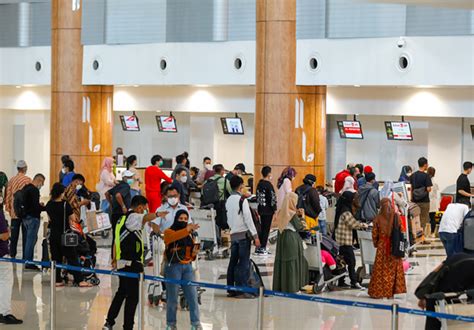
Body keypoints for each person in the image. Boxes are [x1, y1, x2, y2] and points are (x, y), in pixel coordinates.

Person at [103, 195, 158, 330]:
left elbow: (116, 240)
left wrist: (114, 258)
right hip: (132, 263)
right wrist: (157, 214)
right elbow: (144, 218)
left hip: (122, 261)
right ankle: (128, 326)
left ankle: (109, 322)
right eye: (144, 208)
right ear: (139, 207)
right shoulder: (133, 217)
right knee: (133, 297)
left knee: (122, 292)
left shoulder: (122, 218)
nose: (145, 211)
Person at [46, 183, 92, 287]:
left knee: (56, 258)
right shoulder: (65, 204)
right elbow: (73, 219)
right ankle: (79, 280)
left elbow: (50, 219)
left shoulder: (49, 204)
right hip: (66, 235)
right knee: (72, 257)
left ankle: (57, 280)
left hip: (54, 235)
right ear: (61, 193)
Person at [163, 210, 202, 329]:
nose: (183, 221)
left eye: (186, 219)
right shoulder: (169, 231)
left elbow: (190, 253)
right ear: (176, 219)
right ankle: (171, 324)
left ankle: (195, 323)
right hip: (173, 267)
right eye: (181, 219)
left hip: (188, 267)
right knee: (172, 298)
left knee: (192, 296)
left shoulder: (189, 233)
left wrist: (195, 252)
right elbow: (174, 237)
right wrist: (187, 229)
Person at [416, 253, 474, 330]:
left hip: (447, 282)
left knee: (434, 316)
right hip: (445, 289)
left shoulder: (466, 258)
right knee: (435, 317)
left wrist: (424, 294)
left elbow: (436, 272)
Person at [226, 175, 260, 298]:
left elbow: (229, 219)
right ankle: (242, 290)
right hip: (243, 236)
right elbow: (248, 220)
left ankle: (230, 288)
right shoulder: (242, 200)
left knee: (233, 262)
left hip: (233, 235)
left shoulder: (228, 200)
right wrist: (255, 236)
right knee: (244, 263)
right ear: (241, 187)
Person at [368, 198, 407, 298]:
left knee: (381, 270)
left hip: (382, 246)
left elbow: (374, 234)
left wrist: (377, 243)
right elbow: (402, 230)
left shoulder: (377, 218)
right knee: (393, 269)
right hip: (394, 246)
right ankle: (392, 292)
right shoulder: (396, 216)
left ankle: (380, 292)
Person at [272, 192, 309, 293]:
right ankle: (292, 287)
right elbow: (301, 227)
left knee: (282, 261)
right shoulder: (292, 214)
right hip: (291, 238)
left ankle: (280, 286)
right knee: (292, 262)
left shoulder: (281, 211)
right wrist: (302, 216)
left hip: (282, 237)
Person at [334, 191, 367, 289]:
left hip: (340, 240)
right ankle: (354, 282)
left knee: (342, 261)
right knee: (351, 262)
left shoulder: (340, 209)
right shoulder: (346, 212)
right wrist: (364, 225)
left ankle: (341, 281)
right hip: (345, 241)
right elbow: (353, 224)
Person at [0, 209, 23, 325]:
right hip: (1, 254)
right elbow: (4, 235)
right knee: (5, 281)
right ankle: (4, 312)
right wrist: (7, 232)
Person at [4, 160, 31, 258]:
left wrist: (9, 209)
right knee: (25, 236)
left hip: (14, 213)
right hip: (25, 214)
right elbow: (30, 196)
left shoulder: (11, 180)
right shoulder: (27, 180)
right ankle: (25, 256)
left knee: (14, 236)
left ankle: (12, 254)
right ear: (24, 168)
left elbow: (8, 196)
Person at [21, 173, 46, 270]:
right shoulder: (34, 190)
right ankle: (29, 263)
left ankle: (27, 260)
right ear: (39, 180)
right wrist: (44, 208)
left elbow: (28, 203)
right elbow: (35, 207)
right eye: (42, 183)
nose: (42, 185)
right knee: (31, 241)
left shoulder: (26, 188)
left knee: (29, 240)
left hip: (25, 218)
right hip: (33, 218)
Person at [255, 166, 277, 255]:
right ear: (268, 174)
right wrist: (274, 209)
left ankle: (259, 247)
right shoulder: (269, 185)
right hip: (268, 211)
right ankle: (263, 247)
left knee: (262, 228)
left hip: (261, 209)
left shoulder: (259, 184)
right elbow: (272, 198)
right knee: (266, 229)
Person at [410, 157, 433, 232]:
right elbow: (429, 189)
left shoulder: (412, 175)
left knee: (415, 220)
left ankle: (415, 236)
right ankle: (423, 237)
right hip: (424, 202)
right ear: (425, 165)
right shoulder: (426, 176)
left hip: (414, 201)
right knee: (424, 220)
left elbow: (410, 188)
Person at [427, 167, 440, 234]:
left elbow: (430, 193)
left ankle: (431, 232)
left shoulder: (430, 181)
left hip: (430, 201)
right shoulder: (434, 181)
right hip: (433, 202)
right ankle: (432, 232)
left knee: (431, 218)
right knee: (432, 218)